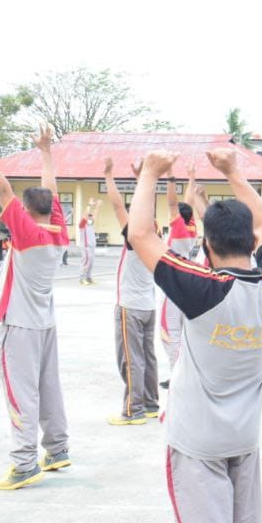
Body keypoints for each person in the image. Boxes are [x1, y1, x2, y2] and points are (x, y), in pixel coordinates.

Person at [126, 146, 262, 523]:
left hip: (197, 442)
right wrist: (235, 174)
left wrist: (150, 172)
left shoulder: (203, 290)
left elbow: (140, 237)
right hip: (245, 435)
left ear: (208, 245)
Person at [0, 120, 71, 491]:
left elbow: (2, 187)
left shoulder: (26, 233)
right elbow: (51, 193)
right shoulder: (58, 232)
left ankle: (24, 463)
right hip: (45, 324)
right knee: (49, 387)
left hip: (20, 325)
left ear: (25, 211)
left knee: (20, 392)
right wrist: (46, 152)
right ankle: (57, 450)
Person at [103, 156, 160, 425]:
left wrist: (108, 176)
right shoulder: (155, 236)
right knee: (147, 357)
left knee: (131, 359)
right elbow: (147, 207)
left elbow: (117, 206)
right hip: (148, 305)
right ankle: (150, 403)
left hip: (131, 306)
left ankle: (132, 409)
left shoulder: (135, 236)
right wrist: (143, 178)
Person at [160, 169, 200, 372]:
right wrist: (191, 178)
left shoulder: (178, 230)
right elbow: (188, 205)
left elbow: (173, 203)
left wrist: (170, 178)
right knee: (184, 331)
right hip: (188, 282)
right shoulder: (191, 228)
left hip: (173, 284)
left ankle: (175, 371)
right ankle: (183, 368)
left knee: (170, 332)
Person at [77, 199, 98, 284]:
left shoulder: (90, 223)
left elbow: (95, 216)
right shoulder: (82, 224)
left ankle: (88, 277)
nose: (90, 217)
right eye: (89, 216)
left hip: (92, 246)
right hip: (86, 246)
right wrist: (89, 205)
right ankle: (82, 279)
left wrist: (97, 206)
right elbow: (85, 215)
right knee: (85, 262)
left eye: (90, 216)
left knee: (91, 262)